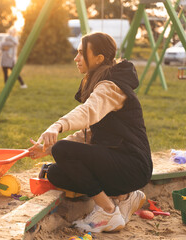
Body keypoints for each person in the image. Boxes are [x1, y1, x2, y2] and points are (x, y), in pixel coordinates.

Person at [28, 32, 152, 233]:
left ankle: (108, 211)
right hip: (122, 162)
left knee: (62, 149)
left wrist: (57, 126)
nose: (76, 58)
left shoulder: (111, 86)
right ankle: (126, 198)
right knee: (56, 172)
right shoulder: (99, 80)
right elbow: (90, 134)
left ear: (98, 59)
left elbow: (88, 112)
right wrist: (49, 150)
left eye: (80, 53)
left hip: (133, 165)